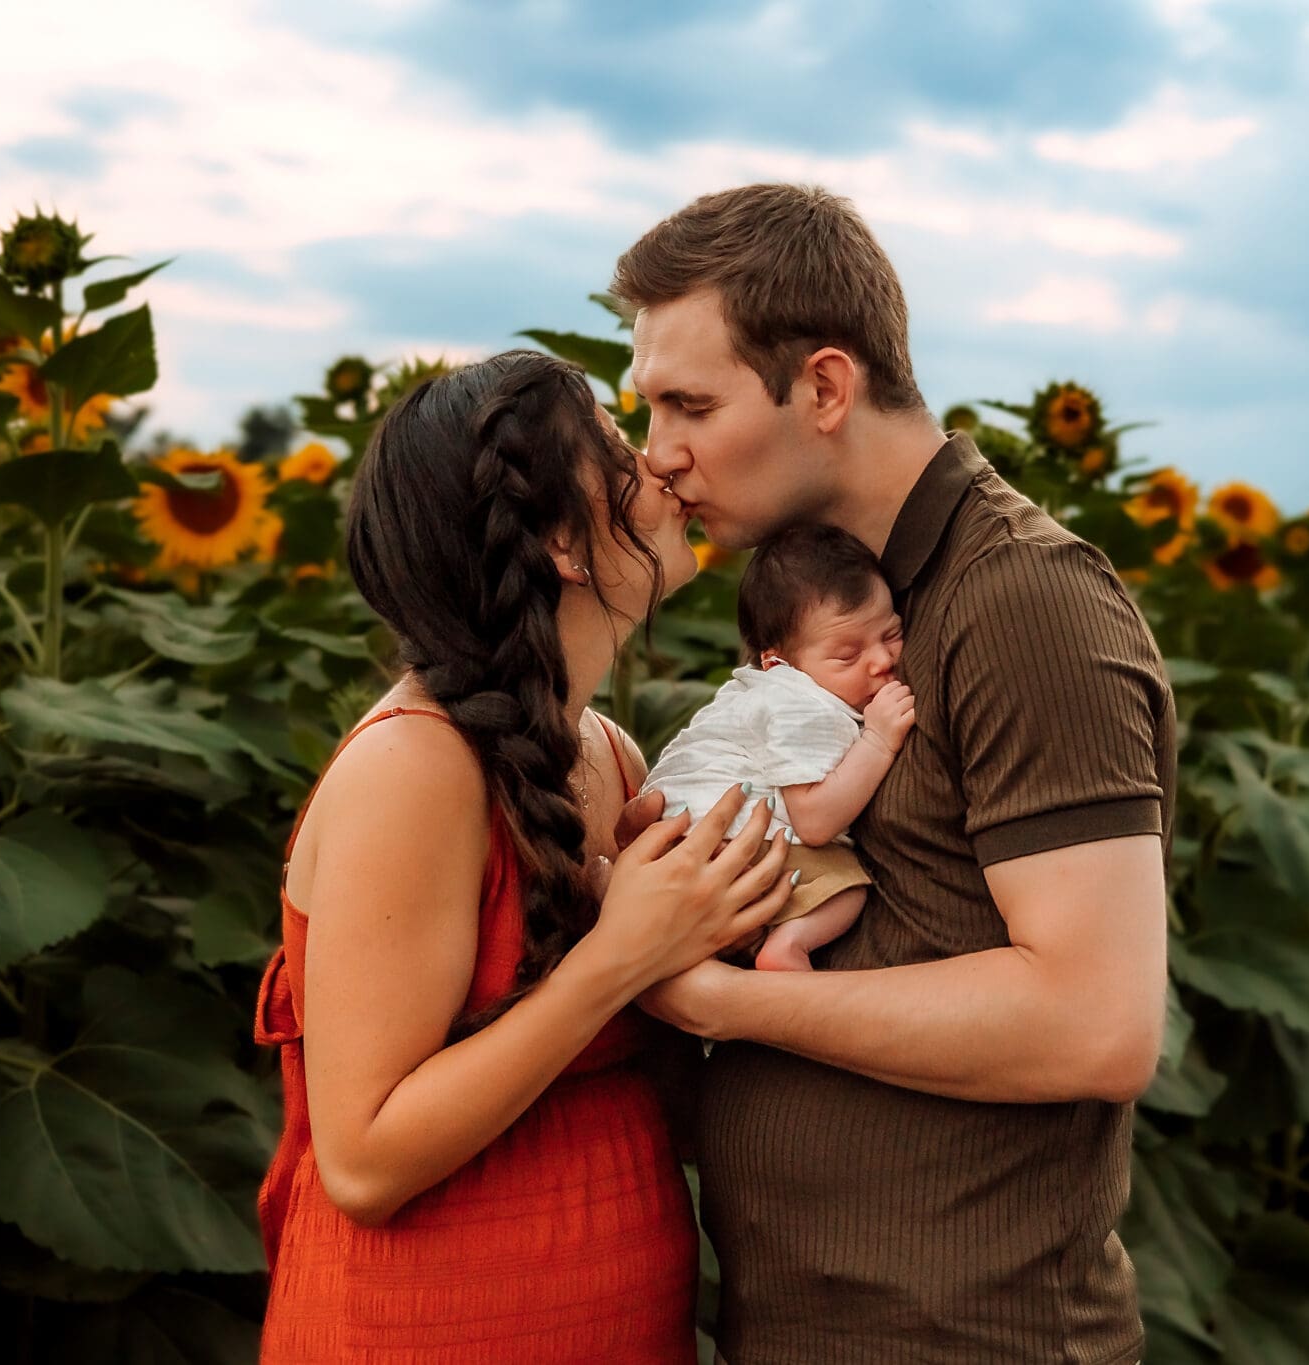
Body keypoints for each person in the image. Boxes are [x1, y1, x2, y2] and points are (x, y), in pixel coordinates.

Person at [612, 185, 1177, 1364]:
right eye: (646, 408)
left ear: (823, 386)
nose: (656, 454)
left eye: (688, 405)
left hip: (970, 1336)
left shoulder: (1021, 602)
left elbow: (1094, 1024)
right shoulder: (831, 598)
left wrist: (725, 1002)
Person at [252, 349, 795, 1363]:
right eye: (622, 453)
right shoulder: (415, 769)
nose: (665, 468)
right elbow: (364, 1161)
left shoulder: (602, 754)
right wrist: (619, 958)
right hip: (423, 1328)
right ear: (559, 539)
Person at [641, 524, 917, 971]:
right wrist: (879, 740)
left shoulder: (761, 693)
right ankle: (789, 946)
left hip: (672, 844)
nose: (882, 661)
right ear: (778, 662)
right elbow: (814, 821)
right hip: (726, 841)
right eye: (847, 655)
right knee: (848, 887)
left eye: (891, 633)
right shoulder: (801, 703)